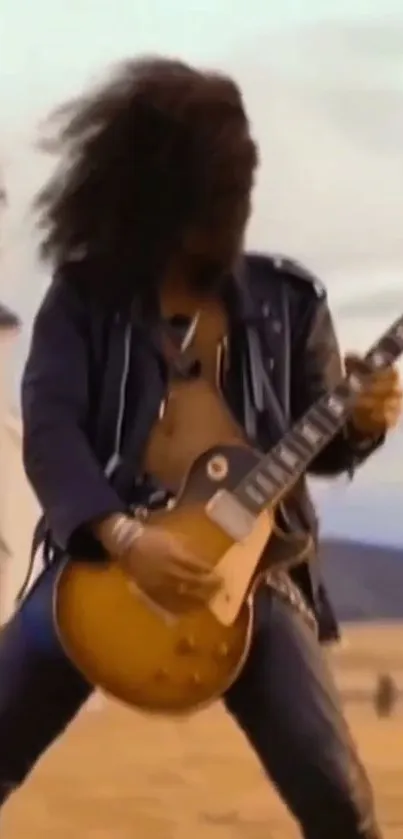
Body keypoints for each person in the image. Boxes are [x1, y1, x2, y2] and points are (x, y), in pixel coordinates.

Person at [0, 57, 401, 838]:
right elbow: (49, 433)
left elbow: (320, 447)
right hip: (100, 569)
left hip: (252, 581)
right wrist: (121, 534)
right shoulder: (83, 300)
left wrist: (364, 419)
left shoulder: (289, 301)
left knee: (340, 804)